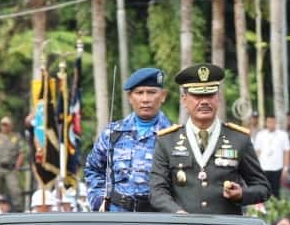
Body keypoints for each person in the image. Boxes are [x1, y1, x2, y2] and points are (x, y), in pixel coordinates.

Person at [149, 63, 271, 215]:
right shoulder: (167, 141)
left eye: (209, 95)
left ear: (218, 98)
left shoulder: (239, 139)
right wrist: (176, 213)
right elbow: (157, 191)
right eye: (197, 95)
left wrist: (241, 194)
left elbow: (263, 187)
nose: (204, 101)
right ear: (184, 99)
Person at [84, 67, 174, 211]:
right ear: (130, 97)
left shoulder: (174, 137)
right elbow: (93, 169)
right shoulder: (113, 133)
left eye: (151, 92)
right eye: (139, 93)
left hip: (157, 221)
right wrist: (98, 200)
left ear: (163, 96)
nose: (145, 99)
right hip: (117, 219)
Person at [0, 117, 28, 205]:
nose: (4, 127)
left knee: (15, 190)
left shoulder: (16, 137)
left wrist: (18, 164)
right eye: (2, 125)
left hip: (10, 169)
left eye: (6, 125)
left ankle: (18, 210)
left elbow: (23, 151)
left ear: (11, 126)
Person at [253, 116, 290, 198]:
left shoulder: (283, 135)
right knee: (263, 191)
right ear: (266, 123)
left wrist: (286, 169)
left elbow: (287, 152)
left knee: (276, 192)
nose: (271, 124)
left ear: (276, 123)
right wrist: (255, 167)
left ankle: (275, 209)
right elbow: (257, 152)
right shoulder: (260, 135)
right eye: (269, 122)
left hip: (277, 168)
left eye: (273, 122)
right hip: (263, 167)